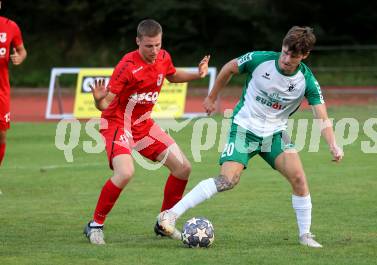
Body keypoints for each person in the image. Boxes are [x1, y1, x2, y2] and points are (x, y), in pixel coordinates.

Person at [157, 26, 343, 248]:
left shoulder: (307, 81)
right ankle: (170, 215)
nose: (286, 58)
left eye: (293, 56)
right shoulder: (260, 60)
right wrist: (212, 97)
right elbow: (228, 68)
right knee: (227, 180)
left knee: (299, 180)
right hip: (244, 128)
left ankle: (305, 235)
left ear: (304, 56)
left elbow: (321, 115)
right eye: (284, 52)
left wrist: (333, 144)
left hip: (275, 134)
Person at [83, 19, 210, 245]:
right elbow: (105, 106)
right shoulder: (127, 66)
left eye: (158, 45)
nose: (154, 51)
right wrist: (97, 99)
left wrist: (197, 75)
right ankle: (95, 225)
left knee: (183, 168)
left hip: (143, 124)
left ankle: (164, 222)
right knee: (125, 173)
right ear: (138, 41)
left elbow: (171, 75)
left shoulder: (163, 57)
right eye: (148, 46)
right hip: (117, 122)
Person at [0, 4, 27, 166]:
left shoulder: (11, 26)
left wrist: (19, 57)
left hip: (1, 90)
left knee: (2, 134)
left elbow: (22, 50)